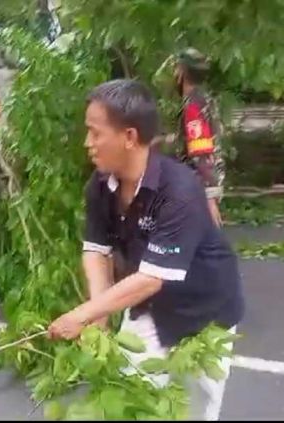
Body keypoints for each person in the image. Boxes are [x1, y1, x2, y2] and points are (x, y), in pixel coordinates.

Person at [48, 80, 244, 420]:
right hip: (149, 308)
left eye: (95, 133)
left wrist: (80, 315)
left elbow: (151, 278)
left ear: (129, 137)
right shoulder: (100, 185)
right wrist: (99, 313)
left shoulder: (179, 190)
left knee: (194, 411)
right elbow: (96, 249)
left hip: (206, 314)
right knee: (131, 399)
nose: (87, 144)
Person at [156, 48, 225, 227]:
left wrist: (209, 198)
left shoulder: (193, 106)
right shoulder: (204, 100)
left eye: (176, 69)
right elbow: (193, 140)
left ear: (182, 72)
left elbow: (202, 152)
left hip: (195, 191)